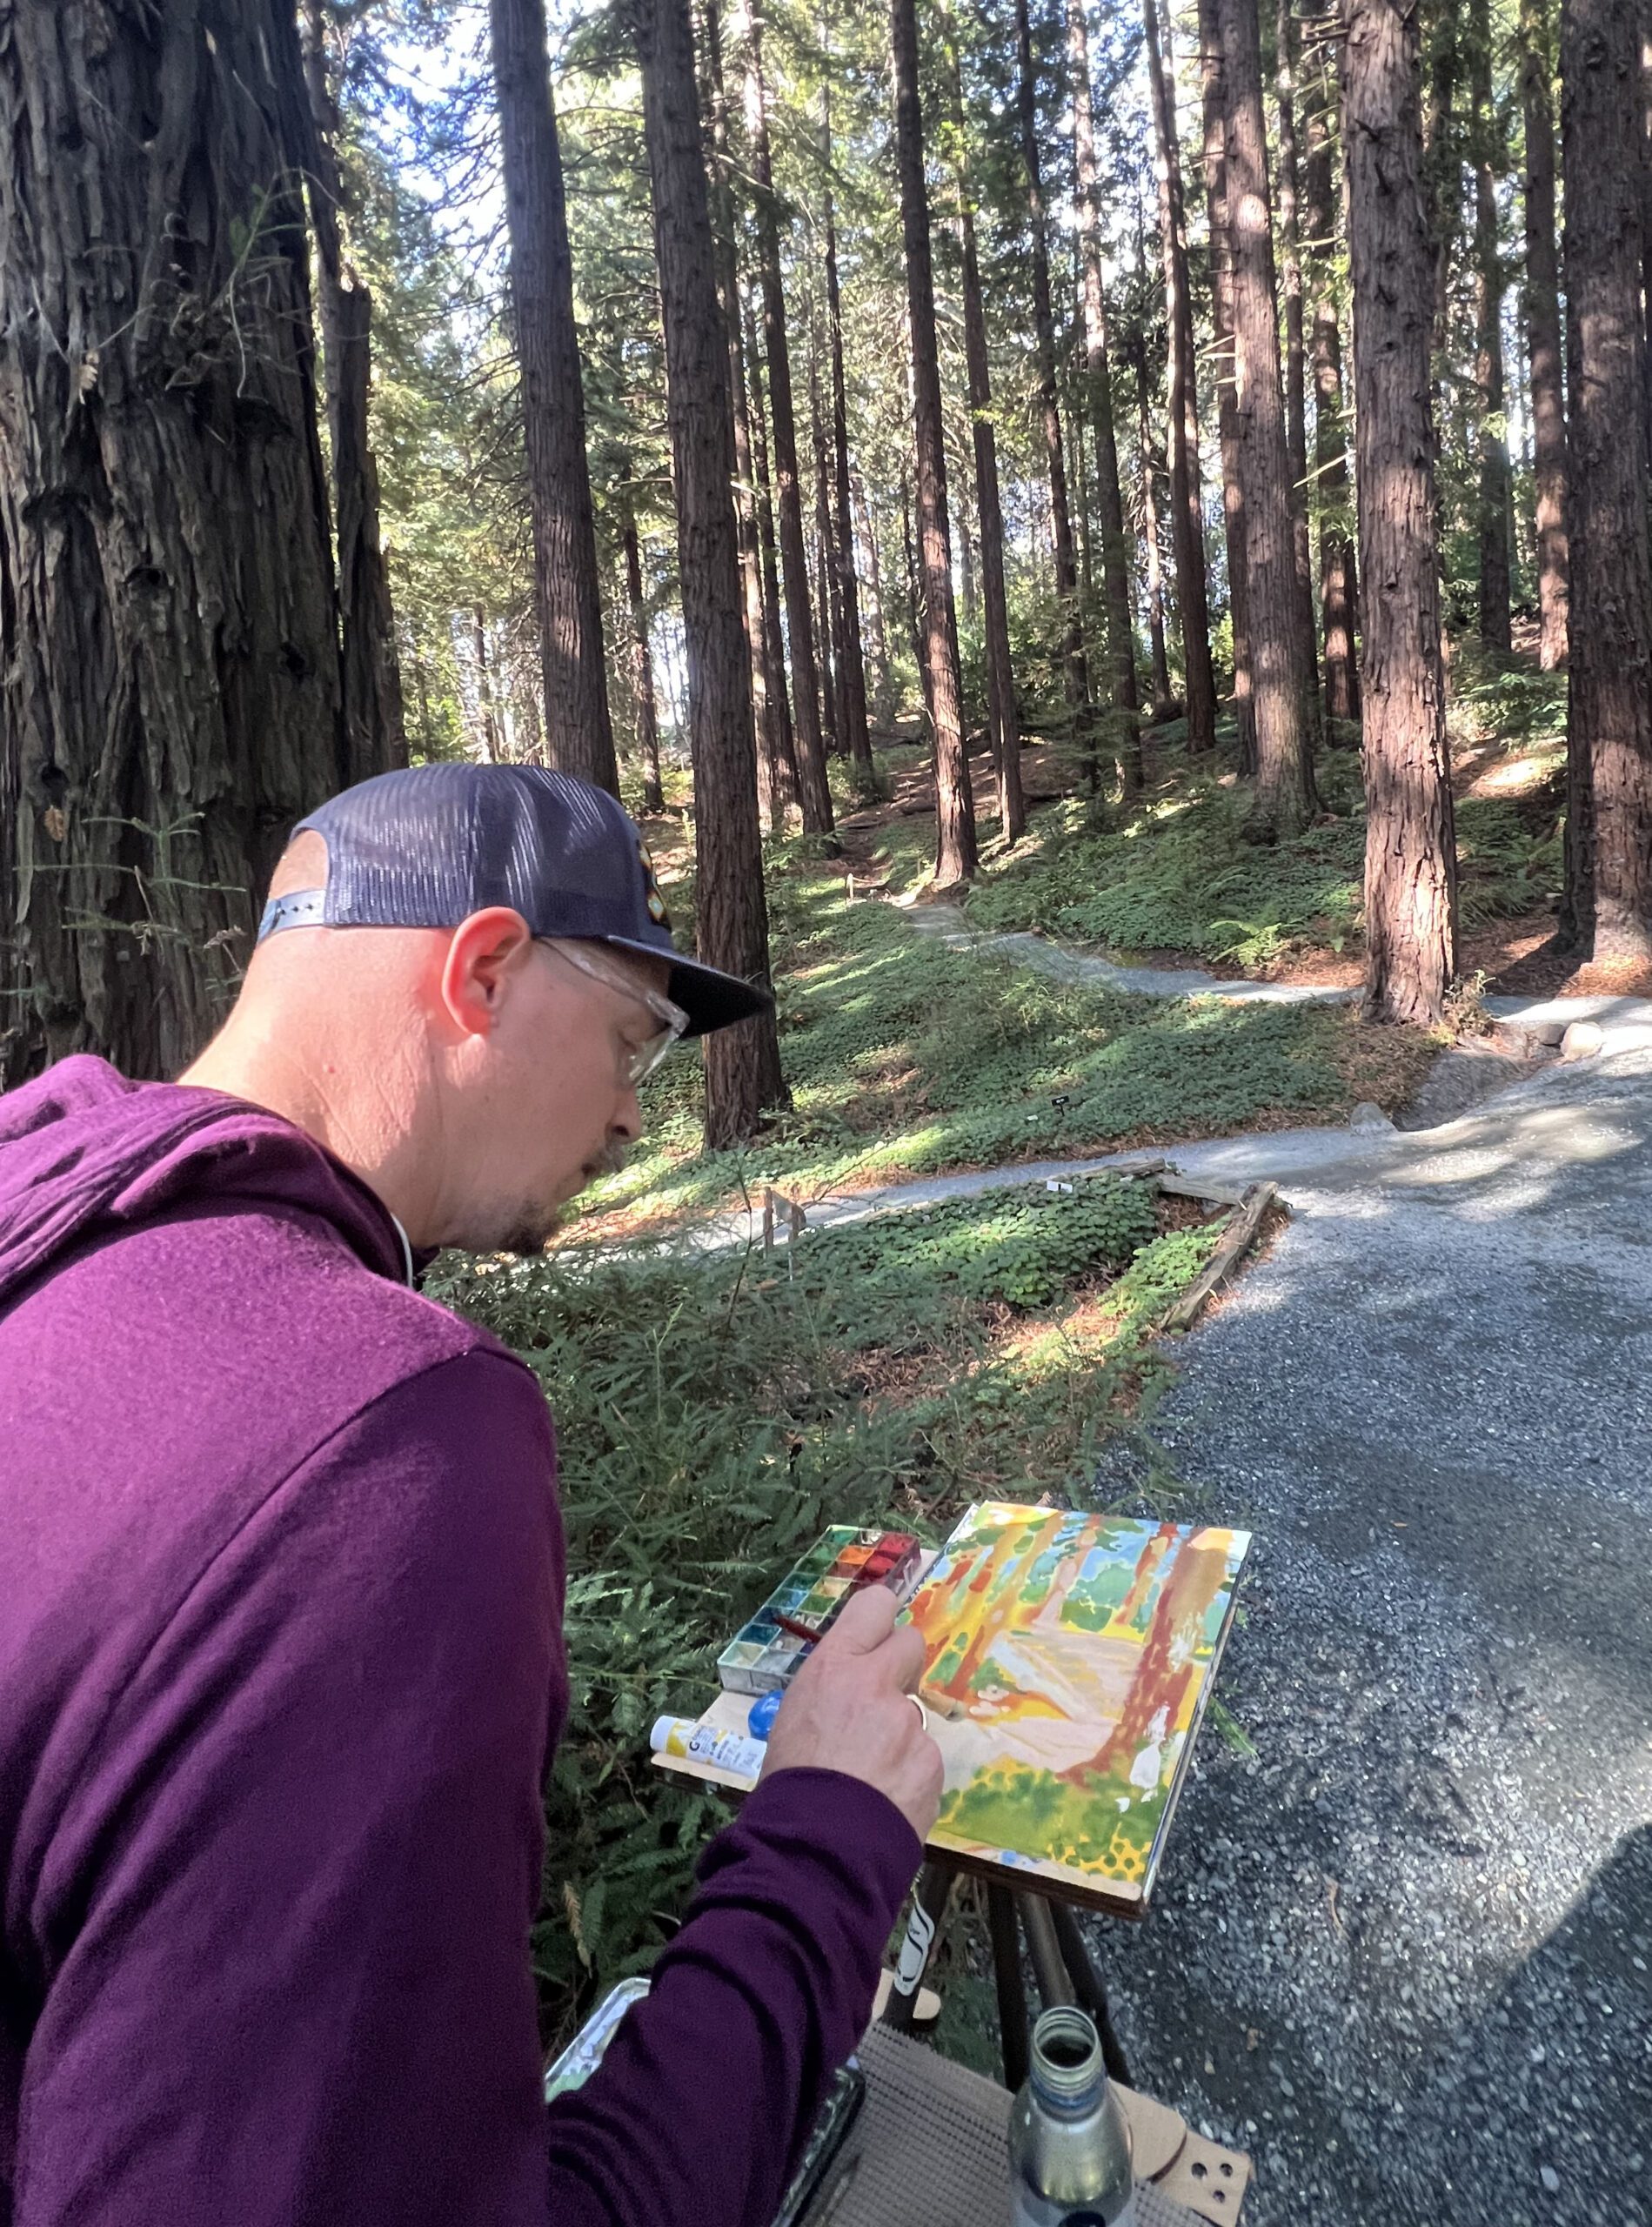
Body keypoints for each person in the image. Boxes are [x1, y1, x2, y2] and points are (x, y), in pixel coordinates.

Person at [0, 765, 942, 2227]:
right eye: (636, 1036)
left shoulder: (51, 1240)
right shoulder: (382, 1444)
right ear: (485, 968)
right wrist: (823, 1843)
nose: (636, 1111)